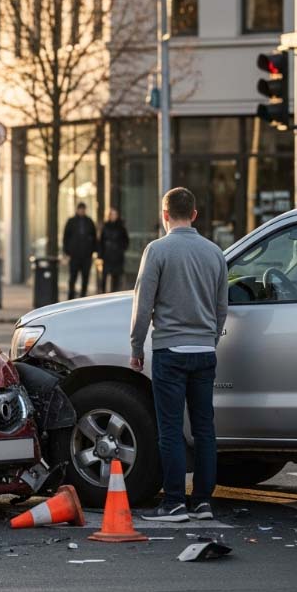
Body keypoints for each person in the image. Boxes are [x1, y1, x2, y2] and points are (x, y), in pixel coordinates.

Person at [129, 187, 228, 522]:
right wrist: (210, 339)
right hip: (204, 351)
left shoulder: (157, 250)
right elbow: (222, 307)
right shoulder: (214, 253)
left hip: (170, 350)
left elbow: (143, 305)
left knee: (170, 429)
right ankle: (202, 502)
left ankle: (173, 502)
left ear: (165, 215)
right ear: (194, 214)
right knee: (204, 429)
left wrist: (136, 347)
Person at [62, 202, 96, 299]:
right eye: (80, 209)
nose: (82, 211)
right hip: (74, 255)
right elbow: (66, 237)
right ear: (77, 210)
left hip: (86, 256)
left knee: (85, 277)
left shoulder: (89, 222)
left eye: (83, 209)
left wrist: (93, 251)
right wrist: (67, 252)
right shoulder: (71, 221)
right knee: (73, 277)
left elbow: (94, 237)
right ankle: (71, 296)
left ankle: (83, 295)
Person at [99, 207, 129, 293]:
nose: (113, 216)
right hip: (107, 255)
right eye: (111, 214)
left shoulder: (121, 227)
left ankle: (114, 293)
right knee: (104, 276)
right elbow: (101, 241)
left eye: (114, 214)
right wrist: (101, 254)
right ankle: (103, 293)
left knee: (116, 277)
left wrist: (121, 249)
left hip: (117, 256)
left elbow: (126, 240)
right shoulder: (105, 226)